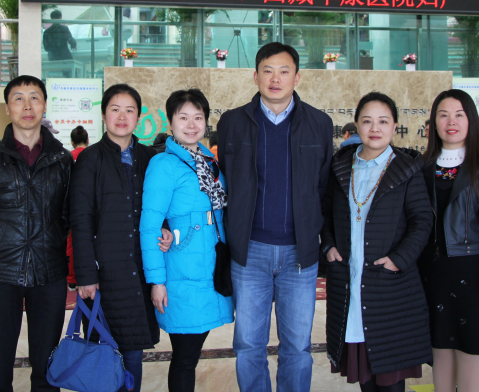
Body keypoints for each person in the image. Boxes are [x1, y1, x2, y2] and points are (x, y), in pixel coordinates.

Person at [217, 42, 333, 391]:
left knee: (297, 347)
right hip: (249, 251)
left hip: (300, 254)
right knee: (248, 345)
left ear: (297, 77)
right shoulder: (233, 122)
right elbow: (225, 181)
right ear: (255, 76)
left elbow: (324, 188)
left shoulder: (319, 123)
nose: (275, 78)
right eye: (267, 71)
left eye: (284, 71)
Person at [0, 75, 73, 392]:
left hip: (49, 273)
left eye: (34, 97)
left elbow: (67, 215)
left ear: (45, 105)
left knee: (47, 368)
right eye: (18, 98)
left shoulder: (63, 160)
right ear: (7, 108)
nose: (27, 106)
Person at [321, 91, 433, 392]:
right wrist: (328, 245)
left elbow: (423, 220)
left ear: (394, 126)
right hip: (349, 280)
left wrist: (400, 258)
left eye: (383, 121)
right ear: (356, 124)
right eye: (367, 121)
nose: (375, 128)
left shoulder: (407, 168)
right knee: (365, 378)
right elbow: (326, 212)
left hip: (389, 284)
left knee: (390, 376)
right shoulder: (341, 166)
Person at [70, 84, 172, 392]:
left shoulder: (150, 157)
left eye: (130, 110)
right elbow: (81, 220)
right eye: (115, 109)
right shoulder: (89, 159)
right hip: (105, 273)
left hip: (140, 270)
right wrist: (86, 276)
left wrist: (166, 228)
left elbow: (160, 206)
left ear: (138, 117)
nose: (122, 116)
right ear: (103, 115)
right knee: (103, 351)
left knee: (133, 353)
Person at [140, 89, 234, 392]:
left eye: (198, 117)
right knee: (185, 357)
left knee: (189, 355)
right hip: (181, 269)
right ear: (170, 122)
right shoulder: (164, 164)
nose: (191, 124)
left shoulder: (208, 160)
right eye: (183, 117)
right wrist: (157, 281)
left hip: (210, 266)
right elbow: (149, 225)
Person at [419, 89, 479, 392]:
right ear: (433, 123)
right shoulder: (424, 166)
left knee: (471, 348)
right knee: (440, 347)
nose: (451, 122)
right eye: (443, 115)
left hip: (473, 271)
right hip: (433, 270)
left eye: (459, 115)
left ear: (471, 119)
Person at [66, 125, 89, 291]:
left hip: (72, 207)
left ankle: (72, 279)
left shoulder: (67, 157)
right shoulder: (93, 155)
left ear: (72, 142)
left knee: (72, 243)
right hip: (91, 207)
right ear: (87, 140)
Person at [43, 10, 77, 77]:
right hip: (65, 57)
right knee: (71, 73)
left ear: (51, 19)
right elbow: (71, 41)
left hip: (53, 58)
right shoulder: (64, 29)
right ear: (60, 18)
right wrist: (74, 45)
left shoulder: (46, 32)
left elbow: (46, 48)